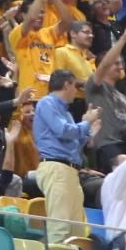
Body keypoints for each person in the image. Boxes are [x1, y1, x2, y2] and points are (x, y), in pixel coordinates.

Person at [32, 67, 99, 233]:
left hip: (70, 171)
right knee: (60, 226)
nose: (76, 91)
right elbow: (62, 130)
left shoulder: (66, 114)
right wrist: (86, 123)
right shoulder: (46, 102)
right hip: (56, 168)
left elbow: (73, 142)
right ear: (67, 84)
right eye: (75, 86)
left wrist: (88, 133)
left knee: (77, 230)